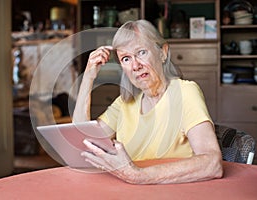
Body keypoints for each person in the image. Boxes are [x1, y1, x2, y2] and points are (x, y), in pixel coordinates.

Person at [73, 19, 223, 184]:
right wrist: (88, 77)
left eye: (141, 52)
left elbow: (212, 163)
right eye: (126, 59)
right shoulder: (124, 103)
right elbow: (81, 142)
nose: (135, 65)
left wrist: (138, 175)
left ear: (163, 52)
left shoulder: (185, 92)